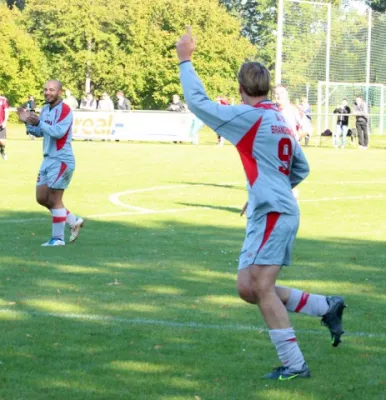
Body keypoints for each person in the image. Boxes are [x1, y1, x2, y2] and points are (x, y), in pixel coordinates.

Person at [176, 27, 346, 380]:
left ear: (240, 88)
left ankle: (295, 365)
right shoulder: (279, 120)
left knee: (262, 288)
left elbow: (199, 104)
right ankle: (325, 306)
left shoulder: (249, 117)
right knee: (246, 287)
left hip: (274, 212)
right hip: (268, 209)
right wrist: (270, 189)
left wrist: (185, 60)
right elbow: (302, 166)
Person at [16, 80, 84, 246]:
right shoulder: (45, 109)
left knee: (54, 199)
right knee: (41, 197)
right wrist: (27, 121)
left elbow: (59, 132)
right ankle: (73, 220)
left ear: (59, 92)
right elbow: (40, 131)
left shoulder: (65, 109)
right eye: (45, 89)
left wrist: (39, 122)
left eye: (51, 90)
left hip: (61, 159)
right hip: (48, 159)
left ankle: (58, 239)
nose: (47, 92)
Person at [0, 92, 10, 160]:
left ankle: (2, 151)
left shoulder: (3, 100)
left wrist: (5, 122)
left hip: (1, 123)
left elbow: (6, 111)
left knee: (2, 141)